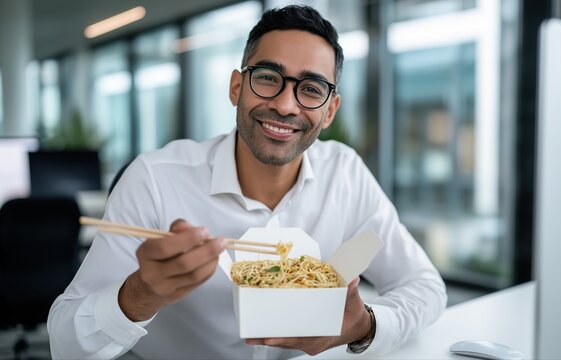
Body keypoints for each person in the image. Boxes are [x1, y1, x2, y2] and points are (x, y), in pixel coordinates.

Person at [47, 5, 447, 359]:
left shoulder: (345, 172)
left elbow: (425, 286)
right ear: (236, 87)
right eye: (269, 77)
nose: (285, 105)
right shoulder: (154, 178)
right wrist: (140, 293)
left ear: (329, 112)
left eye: (311, 89)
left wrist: (365, 328)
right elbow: (64, 345)